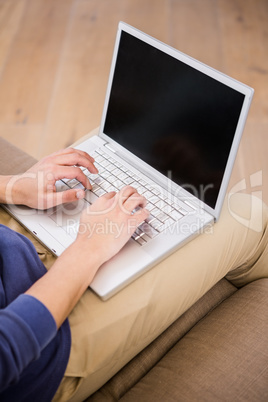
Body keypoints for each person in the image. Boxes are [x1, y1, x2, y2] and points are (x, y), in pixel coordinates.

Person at [0, 146, 267, 402]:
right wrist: (90, 247)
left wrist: (11, 187)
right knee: (245, 212)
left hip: (8, 239)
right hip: (39, 342)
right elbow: (8, 351)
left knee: (115, 154)